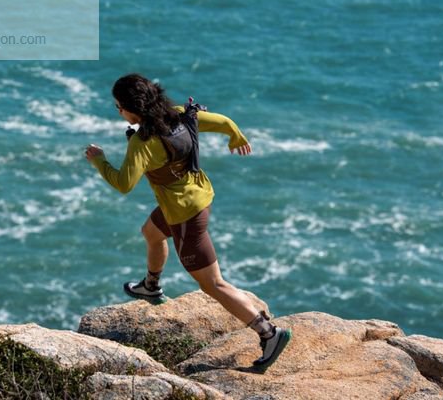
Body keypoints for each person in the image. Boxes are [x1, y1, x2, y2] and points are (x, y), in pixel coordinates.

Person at [85, 73, 291, 369]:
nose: (119, 112)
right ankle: (151, 286)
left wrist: (99, 160)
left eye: (119, 107)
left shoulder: (142, 143)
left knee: (213, 284)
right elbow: (223, 122)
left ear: (131, 108)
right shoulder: (180, 115)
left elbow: (123, 184)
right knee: (151, 232)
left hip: (184, 215)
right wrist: (236, 136)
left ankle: (269, 333)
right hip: (196, 196)